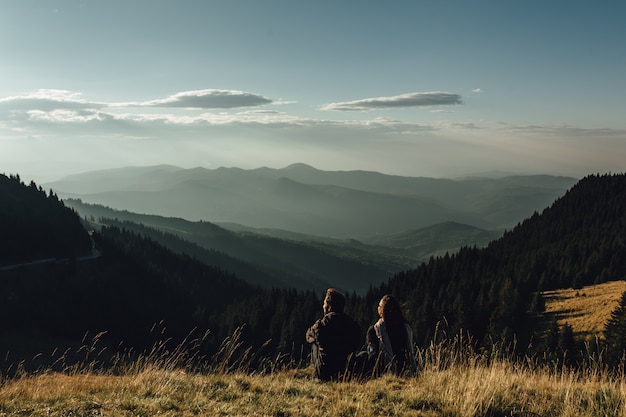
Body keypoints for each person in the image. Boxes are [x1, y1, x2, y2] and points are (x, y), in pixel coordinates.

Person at [305, 288, 361, 381]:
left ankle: (315, 375)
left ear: (328, 306)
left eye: (324, 303)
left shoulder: (322, 324)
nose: (323, 306)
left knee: (315, 345)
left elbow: (308, 336)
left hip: (324, 372)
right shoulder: (352, 325)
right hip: (345, 371)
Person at [365, 294, 417, 376]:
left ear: (382, 310)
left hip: (383, 371)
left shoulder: (375, 330)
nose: (377, 308)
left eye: (379, 306)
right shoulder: (405, 327)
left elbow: (373, 354)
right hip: (405, 369)